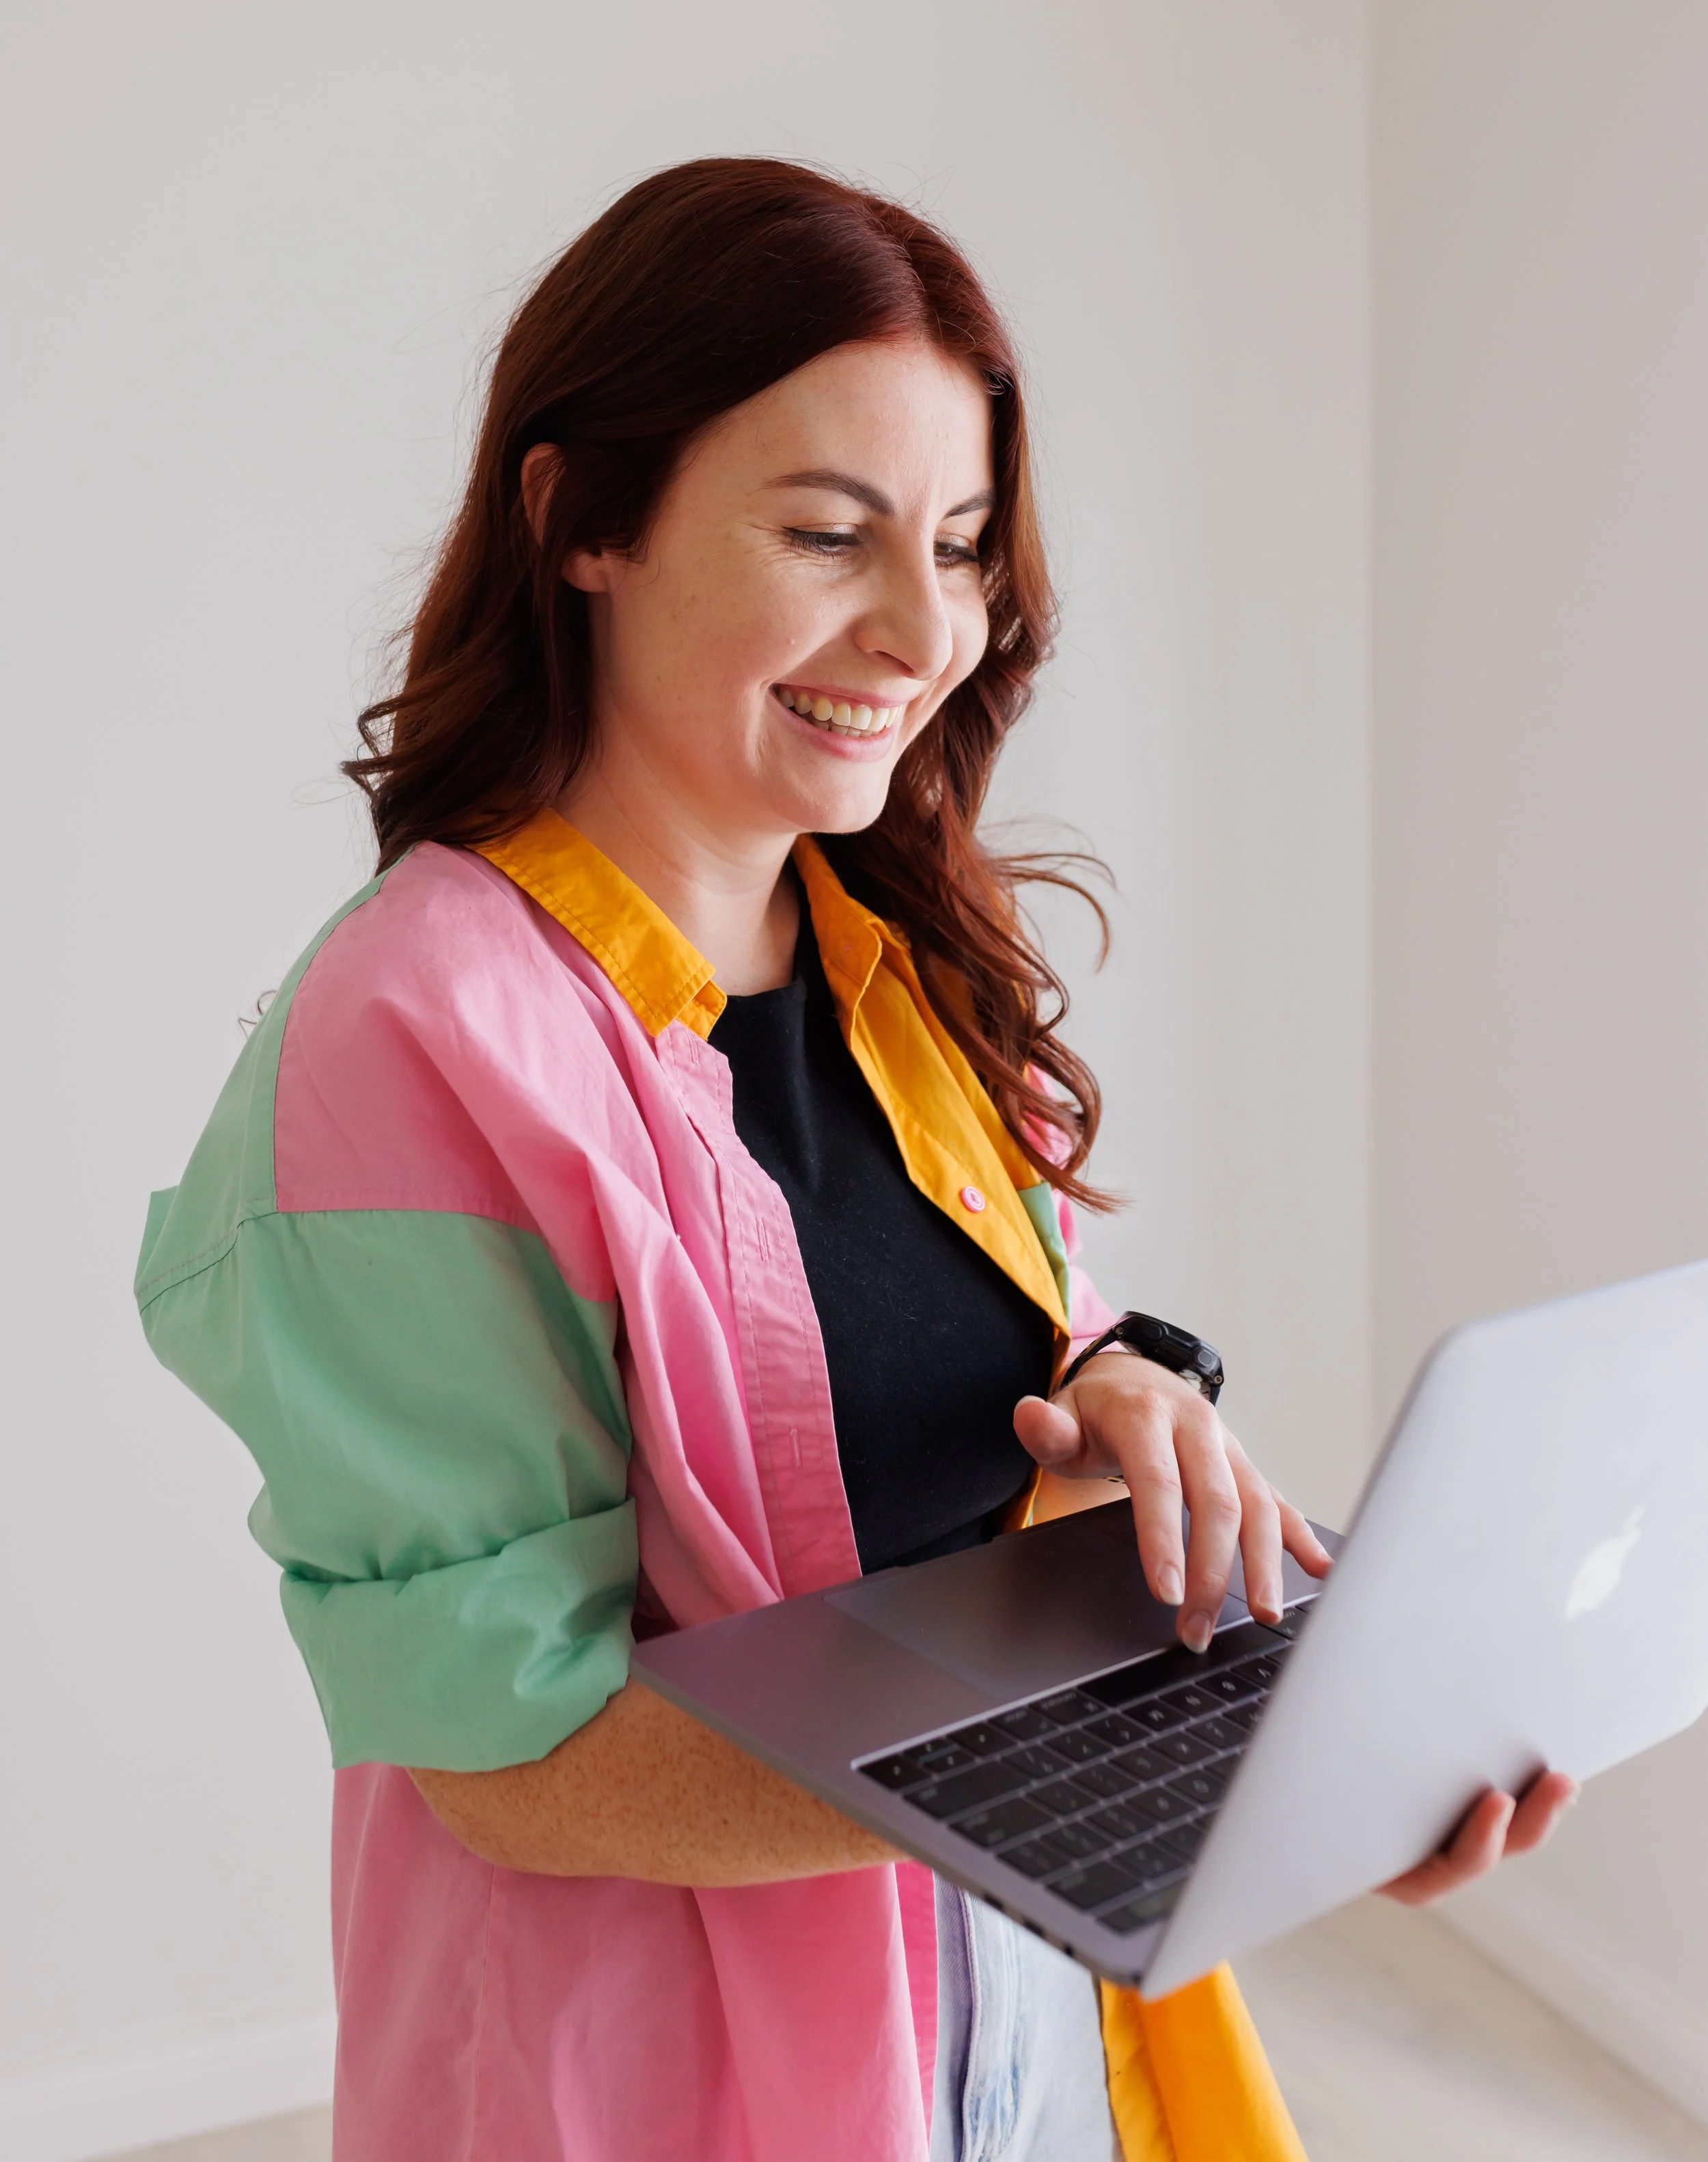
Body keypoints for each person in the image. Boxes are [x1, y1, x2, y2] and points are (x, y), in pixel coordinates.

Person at [137, 160, 1573, 2162]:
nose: (925, 628)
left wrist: (1125, 1424)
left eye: (967, 545)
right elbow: (512, 1746)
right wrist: (1133, 1760)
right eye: (830, 532)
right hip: (645, 2078)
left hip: (1012, 1998)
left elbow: (949, 1403)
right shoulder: (408, 1038)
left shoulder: (891, 959)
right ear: (583, 525)